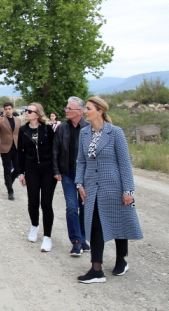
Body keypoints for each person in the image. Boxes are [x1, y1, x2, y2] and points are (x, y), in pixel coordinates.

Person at [76, 97, 143, 284]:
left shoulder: (115, 133)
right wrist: (79, 184)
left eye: (88, 108)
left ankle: (121, 260)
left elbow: (125, 163)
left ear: (99, 111)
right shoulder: (84, 133)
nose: (85, 111)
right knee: (95, 225)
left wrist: (128, 190)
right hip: (91, 188)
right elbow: (80, 161)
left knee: (118, 223)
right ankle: (96, 269)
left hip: (113, 186)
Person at [53, 97, 91, 257]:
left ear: (79, 111)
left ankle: (83, 238)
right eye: (66, 108)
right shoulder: (62, 128)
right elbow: (55, 150)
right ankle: (75, 241)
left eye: (70, 108)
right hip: (67, 173)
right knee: (71, 206)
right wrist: (56, 170)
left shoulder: (89, 128)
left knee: (84, 207)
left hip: (86, 175)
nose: (66, 111)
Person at [18, 103, 57, 252]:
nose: (26, 112)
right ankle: (34, 226)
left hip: (47, 170)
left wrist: (56, 170)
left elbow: (55, 150)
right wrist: (21, 172)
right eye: (26, 110)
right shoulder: (23, 130)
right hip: (31, 169)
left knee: (46, 204)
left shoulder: (47, 129)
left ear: (38, 114)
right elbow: (21, 152)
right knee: (33, 201)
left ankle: (47, 237)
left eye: (29, 111)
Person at [0, 102, 21, 200]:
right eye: (6, 109)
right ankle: (10, 191)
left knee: (18, 168)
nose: (7, 110)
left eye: (9, 108)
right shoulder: (1, 120)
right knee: (7, 169)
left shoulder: (18, 120)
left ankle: (9, 180)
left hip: (16, 147)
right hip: (5, 148)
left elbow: (20, 132)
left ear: (13, 109)